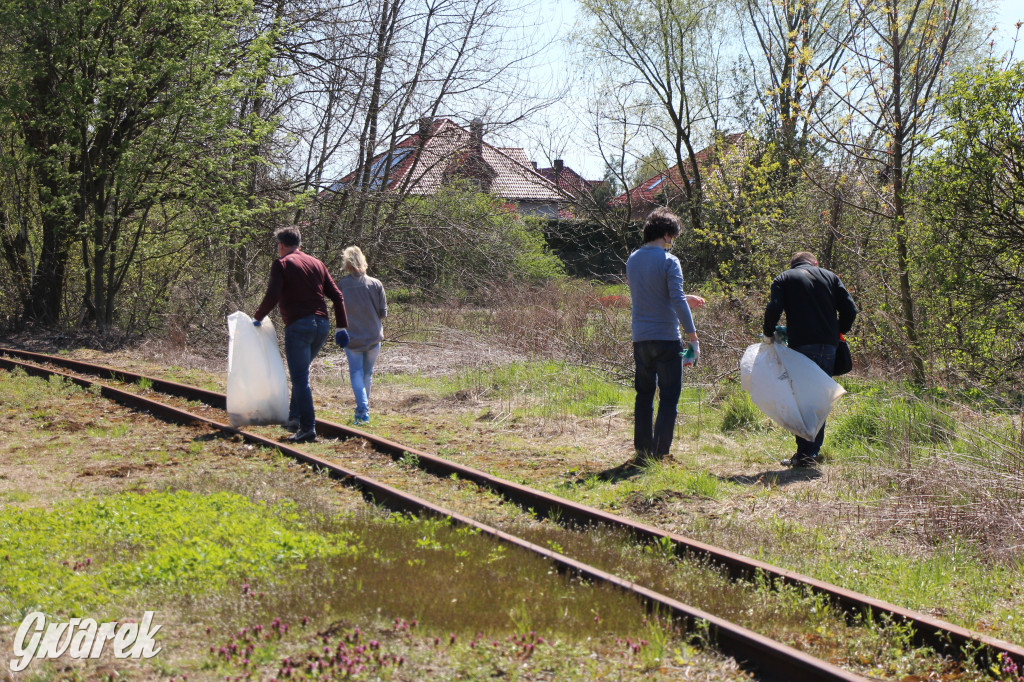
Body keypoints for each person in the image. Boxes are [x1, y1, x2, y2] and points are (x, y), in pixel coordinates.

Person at [253, 226, 348, 443]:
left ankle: (307, 428)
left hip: (299, 326)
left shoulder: (282, 264)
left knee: (300, 378)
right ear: (299, 243)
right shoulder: (317, 264)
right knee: (301, 374)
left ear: (281, 246)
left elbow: (272, 295)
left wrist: (257, 318)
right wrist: (341, 327)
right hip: (321, 326)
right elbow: (338, 296)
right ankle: (294, 418)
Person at [762, 251, 857, 467]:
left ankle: (806, 455)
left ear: (793, 264)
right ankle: (808, 453)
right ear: (814, 263)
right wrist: (837, 330)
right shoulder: (830, 276)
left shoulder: (784, 278)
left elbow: (773, 308)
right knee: (818, 400)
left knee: (802, 400)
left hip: (802, 346)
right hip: (829, 347)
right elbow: (851, 309)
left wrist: (769, 334)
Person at [625, 208, 705, 463]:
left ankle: (642, 449)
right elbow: (677, 301)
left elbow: (652, 295)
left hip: (641, 339)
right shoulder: (670, 261)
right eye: (674, 237)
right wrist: (693, 338)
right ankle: (660, 453)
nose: (673, 243)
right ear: (668, 235)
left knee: (644, 395)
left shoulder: (633, 259)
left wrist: (683, 297)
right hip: (666, 339)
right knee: (669, 396)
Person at [338, 245, 387, 425]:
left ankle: (362, 410)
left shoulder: (342, 285)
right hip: (373, 336)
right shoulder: (376, 284)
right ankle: (363, 410)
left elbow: (338, 311)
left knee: (356, 373)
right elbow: (383, 313)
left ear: (347, 264)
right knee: (367, 374)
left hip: (352, 338)